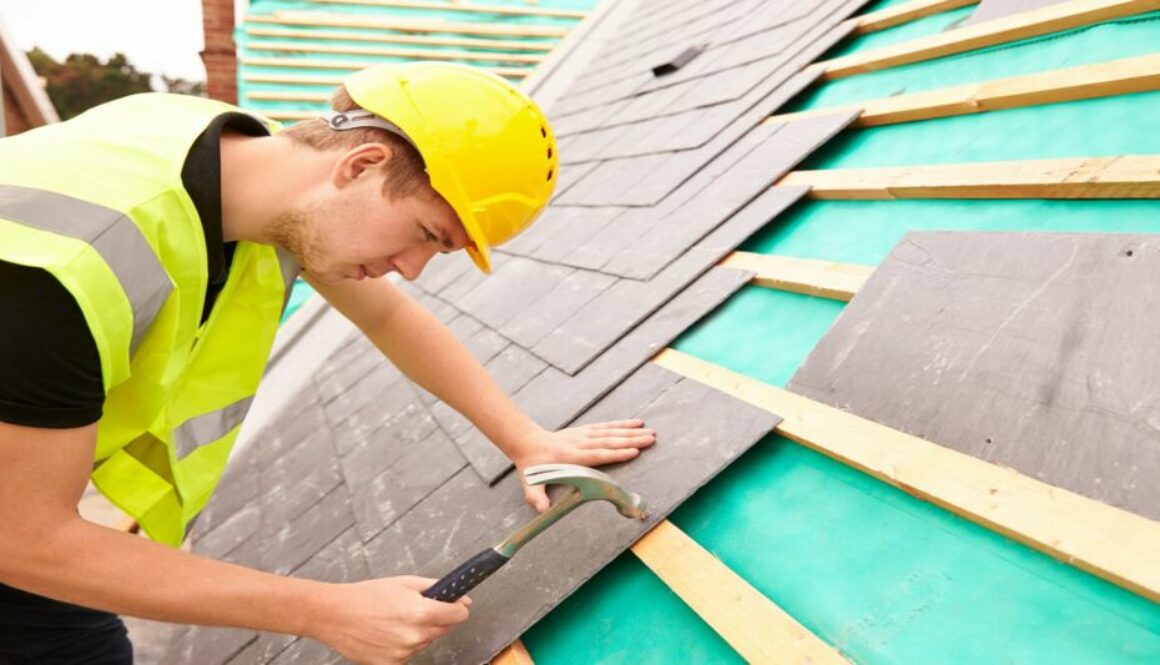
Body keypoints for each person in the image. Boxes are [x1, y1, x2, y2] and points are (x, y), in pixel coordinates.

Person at [0, 62, 655, 665]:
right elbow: (24, 538)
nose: (412, 269)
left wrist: (526, 438)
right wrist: (326, 610)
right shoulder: (57, 272)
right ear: (361, 163)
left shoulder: (240, 163)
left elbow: (386, 315)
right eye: (427, 234)